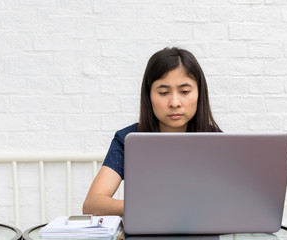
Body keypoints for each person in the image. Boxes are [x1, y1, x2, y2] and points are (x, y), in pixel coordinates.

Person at [82, 47, 221, 216]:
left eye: (184, 91)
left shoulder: (216, 141)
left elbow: (233, 200)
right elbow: (92, 204)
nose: (175, 102)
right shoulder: (128, 139)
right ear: (149, 95)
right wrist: (151, 206)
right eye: (163, 92)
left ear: (199, 93)